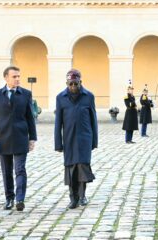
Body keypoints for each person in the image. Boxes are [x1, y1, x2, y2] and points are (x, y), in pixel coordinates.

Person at [0, 66, 37, 211]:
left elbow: (30, 117)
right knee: (6, 170)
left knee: (20, 169)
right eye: (14, 76)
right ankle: (9, 198)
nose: (17, 79)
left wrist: (32, 138)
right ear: (6, 78)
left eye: (18, 76)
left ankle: (19, 199)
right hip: (3, 138)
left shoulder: (26, 94)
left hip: (21, 137)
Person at [54, 69, 98, 209]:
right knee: (71, 168)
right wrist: (58, 143)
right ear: (67, 83)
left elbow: (93, 120)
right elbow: (58, 123)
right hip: (69, 138)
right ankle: (73, 197)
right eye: (70, 83)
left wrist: (94, 141)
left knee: (83, 167)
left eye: (76, 83)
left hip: (85, 138)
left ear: (80, 82)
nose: (73, 86)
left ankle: (82, 195)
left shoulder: (88, 96)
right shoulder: (60, 97)